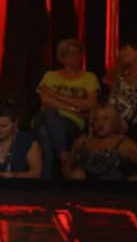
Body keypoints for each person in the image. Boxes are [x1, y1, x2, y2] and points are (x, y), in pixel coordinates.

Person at [33, 39, 99, 178]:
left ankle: (45, 181)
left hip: (72, 122)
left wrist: (56, 95)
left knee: (45, 133)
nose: (77, 57)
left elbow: (91, 104)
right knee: (49, 112)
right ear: (62, 57)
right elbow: (46, 100)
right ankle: (64, 157)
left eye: (78, 53)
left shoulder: (89, 78)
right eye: (72, 53)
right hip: (48, 117)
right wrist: (74, 108)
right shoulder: (50, 76)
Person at [63, 101, 137, 182]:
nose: (100, 124)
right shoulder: (81, 141)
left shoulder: (125, 144)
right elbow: (66, 169)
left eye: (105, 119)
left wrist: (131, 181)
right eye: (96, 120)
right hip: (81, 194)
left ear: (114, 121)